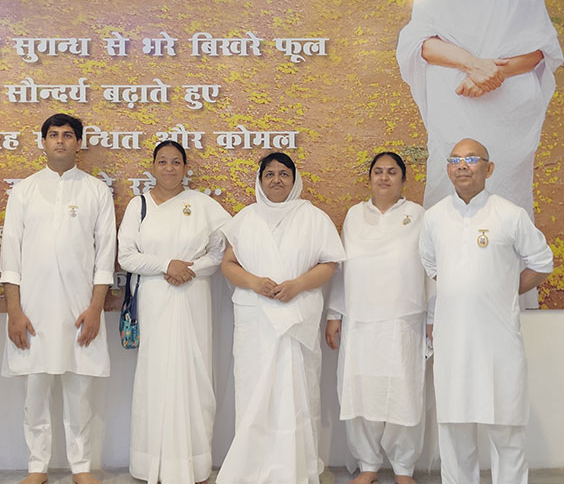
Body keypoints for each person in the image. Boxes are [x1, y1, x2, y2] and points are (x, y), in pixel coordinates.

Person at [396, 0, 562, 306]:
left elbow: (541, 48)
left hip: (508, 119)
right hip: (457, 107)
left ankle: (507, 302)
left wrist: (495, 73)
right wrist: (473, 64)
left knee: (505, 198)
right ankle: (441, 305)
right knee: (447, 189)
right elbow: (421, 42)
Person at [419, 138, 553, 484]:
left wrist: (504, 288)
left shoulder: (510, 214)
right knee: (455, 430)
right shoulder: (434, 218)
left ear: (489, 169)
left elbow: (542, 262)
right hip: (453, 341)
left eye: (472, 159)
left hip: (498, 342)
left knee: (506, 430)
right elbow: (434, 267)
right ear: (447, 168)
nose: (462, 165)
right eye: (455, 160)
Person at [0, 113, 116, 484]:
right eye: (54, 135)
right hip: (32, 308)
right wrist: (14, 312)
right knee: (35, 391)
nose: (61, 141)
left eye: (68, 135)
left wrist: (96, 308)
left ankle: (80, 467)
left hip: (81, 309)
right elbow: (11, 257)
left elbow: (104, 257)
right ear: (43, 142)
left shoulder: (96, 191)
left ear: (79, 143)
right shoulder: (24, 191)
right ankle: (38, 467)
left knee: (79, 391)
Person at [216, 152, 346, 484]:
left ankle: (296, 469)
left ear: (295, 179)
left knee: (297, 394)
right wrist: (254, 283)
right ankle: (251, 470)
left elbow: (328, 265)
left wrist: (298, 284)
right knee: (254, 393)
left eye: (284, 173)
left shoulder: (314, 218)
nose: (277, 179)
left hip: (297, 317)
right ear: (259, 181)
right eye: (270, 174)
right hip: (255, 320)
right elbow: (229, 265)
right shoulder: (245, 218)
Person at [118, 140, 231, 484]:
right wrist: (167, 264)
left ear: (185, 168)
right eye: (162, 162)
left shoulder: (202, 205)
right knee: (156, 375)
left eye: (176, 162)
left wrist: (190, 269)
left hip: (193, 296)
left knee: (193, 374)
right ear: (152, 167)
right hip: (154, 297)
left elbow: (221, 251)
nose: (169, 168)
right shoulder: (138, 206)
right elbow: (126, 256)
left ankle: (193, 465)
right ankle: (150, 463)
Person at [326, 152, 428, 484]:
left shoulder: (418, 216)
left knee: (404, 393)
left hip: (404, 319)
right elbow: (342, 268)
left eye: (392, 172)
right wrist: (333, 314)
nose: (384, 177)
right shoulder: (355, 216)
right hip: (359, 319)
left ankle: (403, 469)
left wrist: (434, 317)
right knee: (360, 392)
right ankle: (368, 464)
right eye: (378, 172)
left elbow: (431, 269)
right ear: (369, 177)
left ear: (403, 179)